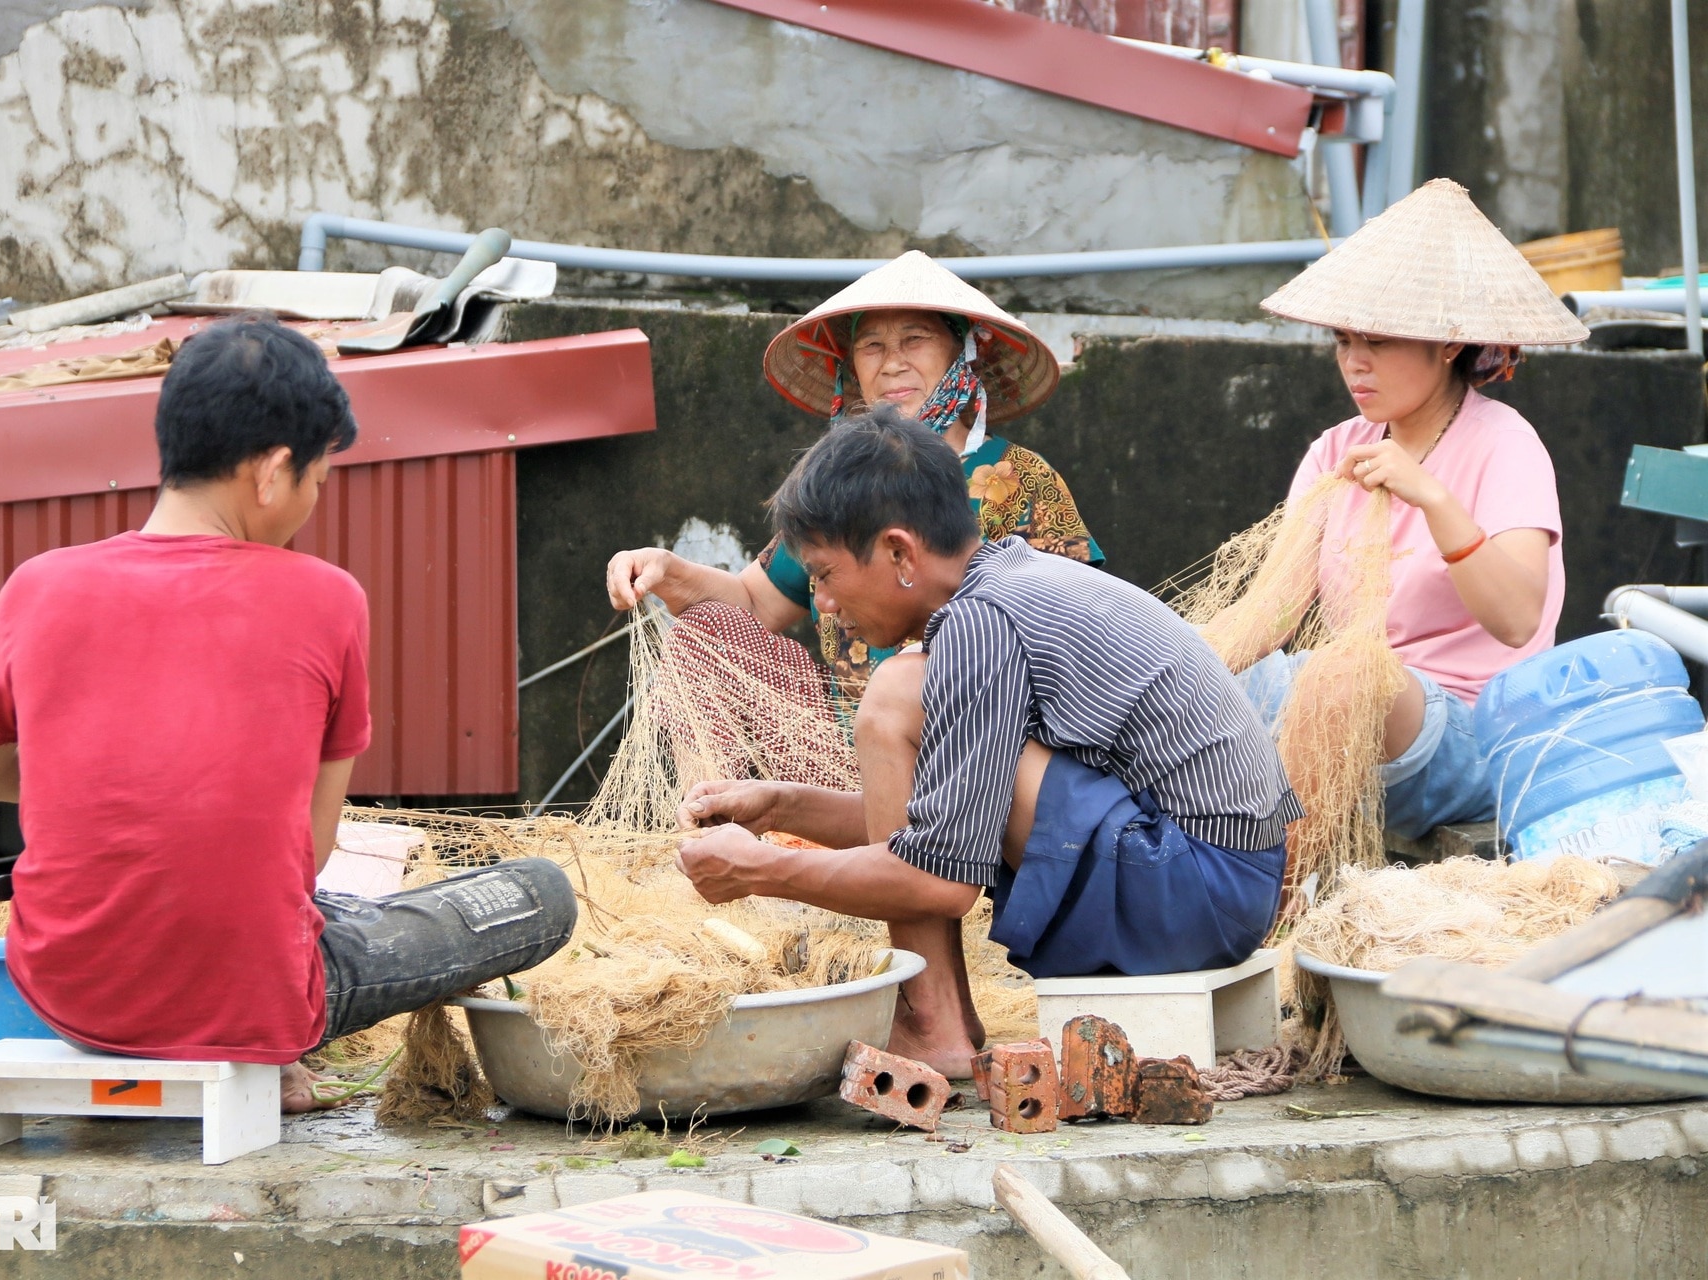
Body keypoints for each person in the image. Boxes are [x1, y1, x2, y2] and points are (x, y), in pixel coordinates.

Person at [0, 315, 576, 1111]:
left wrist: (98, 788)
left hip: (71, 997)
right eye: (318, 480)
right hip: (258, 1000)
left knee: (303, 906)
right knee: (536, 894)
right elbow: (302, 857)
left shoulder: (39, 584)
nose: (314, 501)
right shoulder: (327, 598)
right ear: (273, 472)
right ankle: (270, 1055)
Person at [672, 409, 1299, 1077]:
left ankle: (931, 1024)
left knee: (896, 694)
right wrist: (780, 807)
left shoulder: (980, 620)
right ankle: (937, 1021)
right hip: (1225, 885)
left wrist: (761, 871)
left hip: (1197, 890)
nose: (821, 602)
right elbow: (954, 818)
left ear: (898, 552)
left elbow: (936, 876)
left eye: (824, 575)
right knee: (908, 695)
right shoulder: (1005, 582)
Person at [1241, 178, 1589, 839]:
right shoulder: (1336, 450)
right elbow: (1268, 614)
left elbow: (1517, 620)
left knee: (1347, 677)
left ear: (1449, 343)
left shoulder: (1504, 443)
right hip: (1344, 723)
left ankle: (1273, 912)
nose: (1355, 364)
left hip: (1475, 734)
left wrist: (1431, 496)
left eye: (1378, 341)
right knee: (1228, 684)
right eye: (1344, 341)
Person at [606, 251, 1101, 712]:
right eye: (871, 347)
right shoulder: (843, 485)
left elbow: (1073, 635)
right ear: (851, 370)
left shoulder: (1021, 478)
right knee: (707, 639)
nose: (892, 363)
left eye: (915, 340)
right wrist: (667, 570)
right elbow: (754, 603)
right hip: (853, 753)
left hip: (981, 739)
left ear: (962, 352)